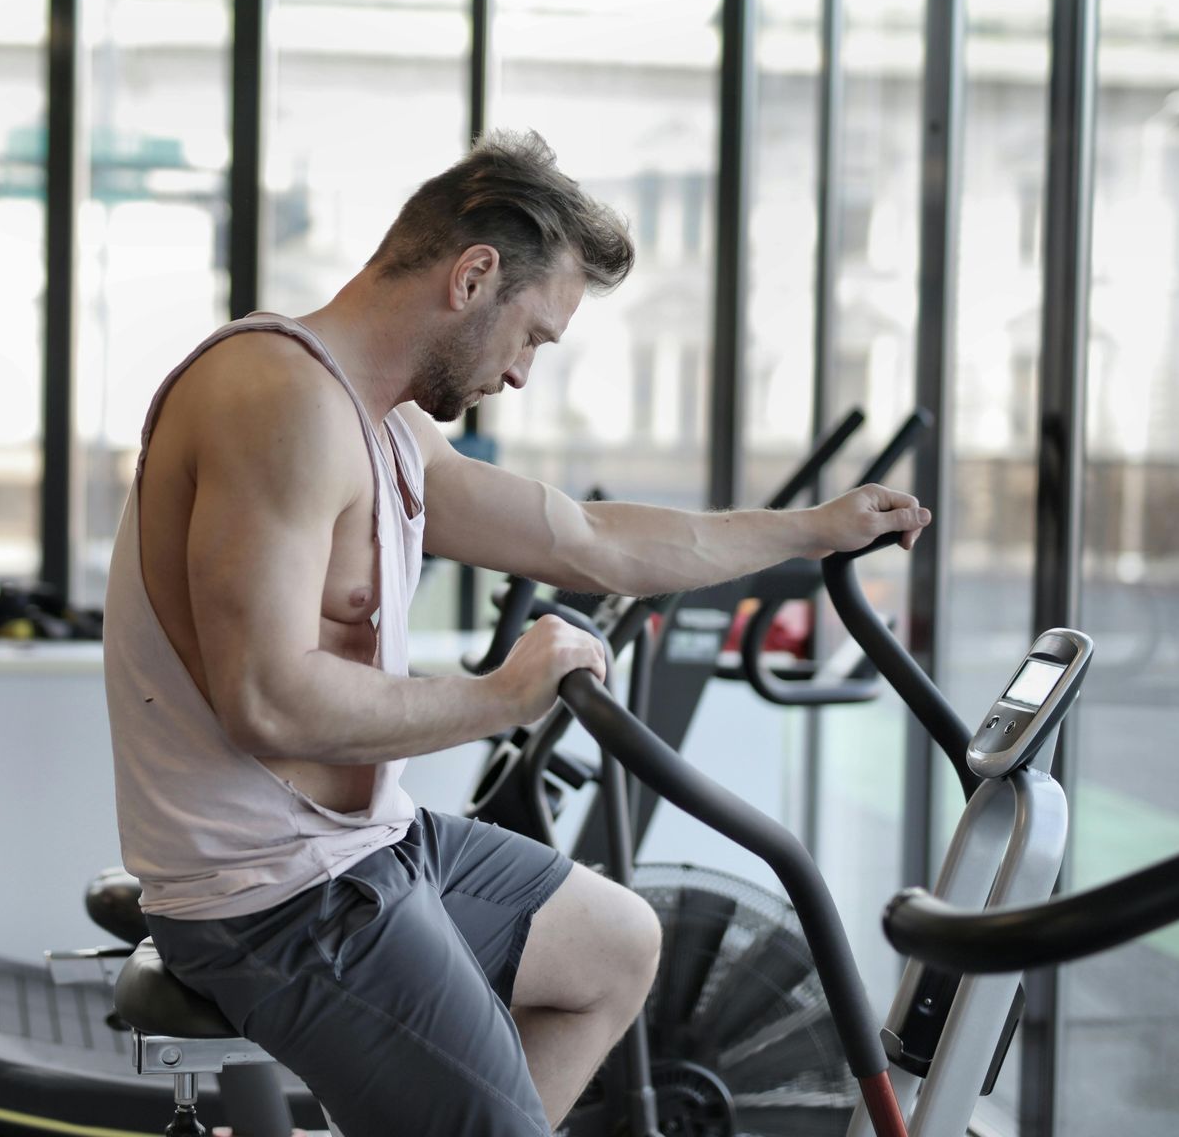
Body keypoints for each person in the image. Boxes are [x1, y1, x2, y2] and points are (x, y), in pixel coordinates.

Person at [102, 131, 931, 1136]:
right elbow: (267, 697)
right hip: (274, 900)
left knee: (617, 941)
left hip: (369, 850)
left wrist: (809, 531)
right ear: (474, 275)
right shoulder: (276, 399)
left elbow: (588, 540)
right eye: (534, 334)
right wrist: (502, 692)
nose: (525, 372)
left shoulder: (386, 426)